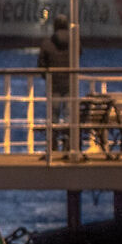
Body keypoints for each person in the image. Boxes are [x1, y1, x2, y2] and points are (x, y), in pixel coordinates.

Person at [36, 19, 73, 154]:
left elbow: (41, 63)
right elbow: (79, 52)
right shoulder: (74, 42)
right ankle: (68, 144)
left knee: (53, 116)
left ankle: (53, 145)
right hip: (70, 83)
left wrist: (46, 76)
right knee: (69, 115)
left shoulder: (47, 43)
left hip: (54, 84)